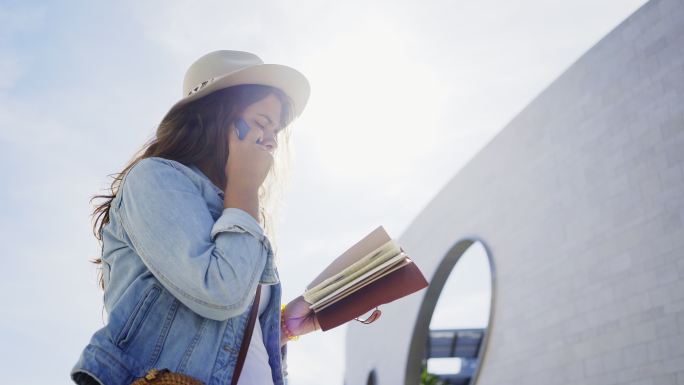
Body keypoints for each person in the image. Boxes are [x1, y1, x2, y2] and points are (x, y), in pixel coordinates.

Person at [70, 50, 320, 385]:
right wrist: (244, 186)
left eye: (276, 129)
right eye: (262, 122)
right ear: (218, 118)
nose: (272, 140)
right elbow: (222, 292)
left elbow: (225, 340)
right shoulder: (156, 179)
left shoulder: (233, 209)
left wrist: (282, 326)